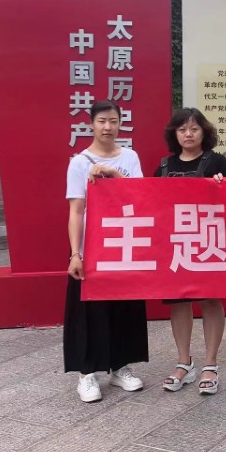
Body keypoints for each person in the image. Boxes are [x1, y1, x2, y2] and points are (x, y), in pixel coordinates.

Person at [64, 100, 148, 402]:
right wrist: (75, 253)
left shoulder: (130, 157)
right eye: (101, 121)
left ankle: (120, 367)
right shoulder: (79, 162)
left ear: (120, 123)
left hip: (124, 243)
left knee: (124, 307)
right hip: (92, 247)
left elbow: (140, 196)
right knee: (88, 310)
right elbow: (76, 210)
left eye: (113, 121)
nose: (108, 127)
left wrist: (114, 175)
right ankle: (86, 374)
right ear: (91, 124)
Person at [156, 108, 226, 395]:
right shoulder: (164, 165)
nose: (188, 134)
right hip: (175, 242)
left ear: (204, 132)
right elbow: (151, 203)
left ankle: (211, 364)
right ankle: (184, 362)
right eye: (182, 129)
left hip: (207, 241)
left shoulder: (217, 162)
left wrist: (221, 187)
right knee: (179, 302)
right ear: (174, 134)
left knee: (210, 299)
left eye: (194, 129)